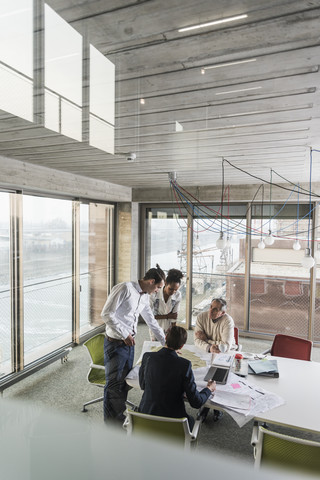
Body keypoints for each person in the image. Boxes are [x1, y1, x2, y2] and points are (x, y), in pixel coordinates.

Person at [101, 264, 166, 424]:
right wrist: (124, 334)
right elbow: (106, 314)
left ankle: (118, 416)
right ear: (151, 281)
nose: (158, 290)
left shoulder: (144, 296)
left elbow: (151, 321)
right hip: (116, 343)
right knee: (114, 384)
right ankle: (112, 424)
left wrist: (166, 344)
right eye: (158, 287)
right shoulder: (124, 288)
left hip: (129, 344)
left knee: (124, 382)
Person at [139, 325, 216, 430]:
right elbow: (196, 402)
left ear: (165, 338)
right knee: (192, 421)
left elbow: (143, 385)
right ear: (181, 346)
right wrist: (209, 389)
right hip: (173, 423)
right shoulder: (184, 365)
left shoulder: (147, 357)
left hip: (145, 418)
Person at [194, 297, 235, 422]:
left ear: (222, 313)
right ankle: (206, 406)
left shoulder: (227, 321)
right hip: (206, 352)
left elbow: (226, 346)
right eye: (211, 306)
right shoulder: (201, 317)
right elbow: (196, 340)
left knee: (218, 378)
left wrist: (206, 339)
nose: (211, 311)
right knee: (200, 377)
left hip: (223, 355)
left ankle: (216, 408)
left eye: (215, 309)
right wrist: (209, 346)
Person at [149, 268, 183, 341]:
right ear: (165, 283)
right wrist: (168, 316)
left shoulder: (178, 295)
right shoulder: (154, 293)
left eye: (175, 290)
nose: (173, 292)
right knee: (155, 348)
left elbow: (174, 316)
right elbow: (150, 316)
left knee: (168, 347)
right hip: (156, 326)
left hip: (168, 327)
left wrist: (173, 332)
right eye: (170, 289)